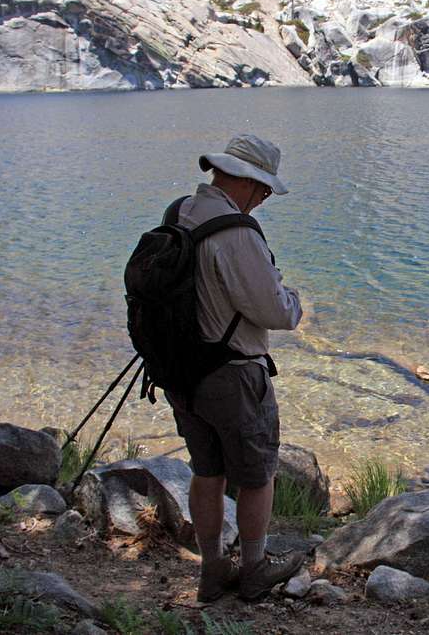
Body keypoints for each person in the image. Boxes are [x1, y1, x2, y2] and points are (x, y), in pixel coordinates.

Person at [166, 134, 305, 602]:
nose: (264, 200)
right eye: (264, 191)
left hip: (181, 371)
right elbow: (276, 312)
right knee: (256, 475)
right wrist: (295, 300)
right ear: (247, 182)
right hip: (233, 375)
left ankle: (211, 571)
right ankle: (253, 570)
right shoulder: (237, 233)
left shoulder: (180, 212)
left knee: (207, 473)